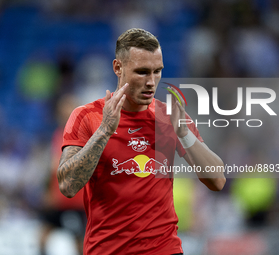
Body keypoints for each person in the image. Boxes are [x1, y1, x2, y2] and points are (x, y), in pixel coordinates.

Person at [57, 28, 226, 255]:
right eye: (142, 72)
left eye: (157, 71)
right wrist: (105, 131)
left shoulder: (171, 117)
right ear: (118, 67)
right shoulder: (87, 117)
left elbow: (217, 180)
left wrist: (184, 134)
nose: (151, 81)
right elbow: (67, 186)